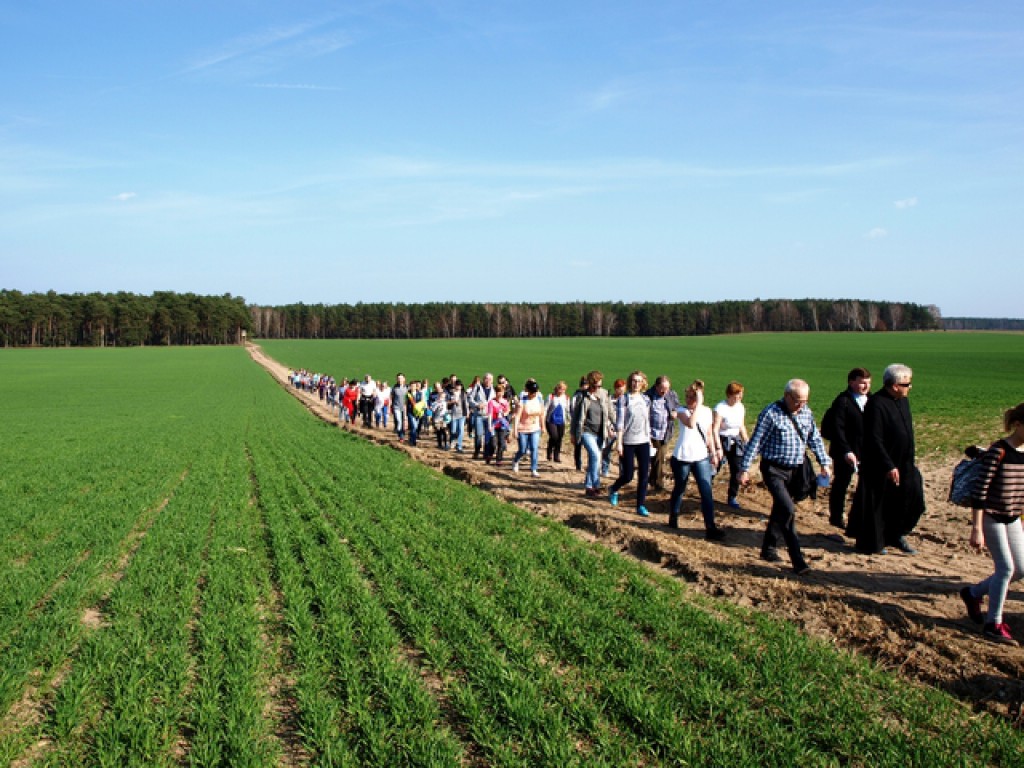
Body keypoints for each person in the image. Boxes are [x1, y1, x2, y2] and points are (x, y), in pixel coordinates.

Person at [739, 379, 832, 574]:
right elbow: (756, 442)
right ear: (787, 396)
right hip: (773, 469)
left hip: (796, 470)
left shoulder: (806, 413)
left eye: (805, 400)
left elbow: (814, 438)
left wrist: (824, 462)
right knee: (788, 510)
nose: (801, 404)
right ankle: (798, 561)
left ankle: (768, 548)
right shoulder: (771, 413)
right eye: (798, 400)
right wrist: (745, 468)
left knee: (780, 508)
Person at [960, 403, 1024, 645]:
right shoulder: (998, 452)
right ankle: (993, 623)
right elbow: (980, 492)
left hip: (1013, 517)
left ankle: (973, 593)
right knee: (1006, 569)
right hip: (992, 516)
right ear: (1017, 425)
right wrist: (976, 529)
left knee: (1021, 569)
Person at [847, 364, 924, 555]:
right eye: (907, 384)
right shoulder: (876, 404)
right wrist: (888, 465)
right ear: (895, 385)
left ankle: (896, 534)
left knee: (913, 499)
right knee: (878, 506)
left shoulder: (903, 400)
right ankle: (874, 542)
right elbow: (874, 438)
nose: (910, 387)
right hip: (881, 465)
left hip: (905, 463)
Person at [669, 380, 725, 539]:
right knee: (680, 488)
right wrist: (698, 405)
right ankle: (673, 516)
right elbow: (691, 424)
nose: (689, 400)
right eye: (687, 397)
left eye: (693, 397)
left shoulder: (707, 411)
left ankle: (710, 527)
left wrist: (714, 452)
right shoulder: (681, 410)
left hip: (701, 457)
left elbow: (708, 434)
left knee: (706, 491)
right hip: (682, 456)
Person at [826, 368, 871, 529]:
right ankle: (836, 517)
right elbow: (838, 429)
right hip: (844, 452)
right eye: (861, 382)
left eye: (868, 382)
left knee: (865, 486)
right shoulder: (842, 401)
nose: (865, 386)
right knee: (841, 484)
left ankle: (859, 518)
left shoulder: (872, 400)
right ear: (851, 382)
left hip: (865, 451)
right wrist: (846, 451)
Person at [608, 371, 654, 517]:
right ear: (630, 382)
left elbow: (647, 421)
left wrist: (650, 440)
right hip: (628, 441)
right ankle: (614, 489)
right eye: (634, 380)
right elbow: (620, 422)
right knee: (628, 475)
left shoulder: (646, 400)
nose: (636, 383)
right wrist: (619, 442)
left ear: (643, 383)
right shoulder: (624, 399)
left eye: (639, 381)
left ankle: (640, 505)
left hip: (643, 441)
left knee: (644, 475)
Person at [570, 370, 616, 497]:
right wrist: (573, 434)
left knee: (593, 460)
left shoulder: (605, 394)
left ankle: (589, 486)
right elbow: (575, 417)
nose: (597, 388)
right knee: (596, 455)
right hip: (586, 431)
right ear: (590, 384)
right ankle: (595, 484)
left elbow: (611, 412)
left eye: (599, 386)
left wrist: (618, 426)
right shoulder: (582, 396)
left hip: (600, 432)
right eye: (595, 386)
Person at [712, 381, 749, 509]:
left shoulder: (740, 407)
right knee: (714, 468)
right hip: (722, 439)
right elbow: (715, 428)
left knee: (737, 469)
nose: (739, 397)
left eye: (741, 394)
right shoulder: (720, 408)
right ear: (730, 394)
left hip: (736, 440)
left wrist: (747, 441)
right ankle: (706, 491)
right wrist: (717, 447)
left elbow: (741, 426)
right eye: (737, 394)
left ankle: (732, 497)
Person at [647, 376, 682, 493]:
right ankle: (658, 484)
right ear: (656, 387)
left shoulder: (672, 395)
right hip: (652, 433)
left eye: (667, 389)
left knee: (658, 459)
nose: (665, 391)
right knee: (658, 459)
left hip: (666, 433)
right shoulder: (648, 396)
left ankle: (652, 480)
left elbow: (678, 407)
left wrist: (675, 413)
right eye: (662, 389)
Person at [512, 378, 545, 477]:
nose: (534, 394)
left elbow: (542, 414)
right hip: (523, 428)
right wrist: (515, 430)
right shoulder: (523, 402)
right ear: (528, 392)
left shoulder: (539, 400)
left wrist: (543, 426)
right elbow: (517, 416)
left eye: (535, 392)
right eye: (532, 392)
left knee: (534, 448)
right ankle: (516, 460)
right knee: (522, 450)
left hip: (535, 428)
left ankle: (534, 469)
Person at [468, 373, 495, 459]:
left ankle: (486, 453)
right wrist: (477, 405)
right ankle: (477, 450)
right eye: (486, 379)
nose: (488, 381)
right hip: (479, 415)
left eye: (490, 379)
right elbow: (470, 399)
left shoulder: (494, 390)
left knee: (488, 435)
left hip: (489, 416)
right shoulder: (478, 387)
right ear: (483, 379)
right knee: (479, 435)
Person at [485, 384, 511, 465]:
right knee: (493, 444)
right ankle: (489, 455)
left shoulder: (505, 402)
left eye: (501, 392)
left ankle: (499, 459)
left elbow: (507, 411)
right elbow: (489, 414)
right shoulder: (491, 402)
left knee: (501, 443)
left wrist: (504, 413)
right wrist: (489, 425)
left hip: (502, 425)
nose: (499, 393)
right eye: (498, 392)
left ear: (503, 393)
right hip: (494, 425)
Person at [544, 381, 570, 463]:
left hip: (561, 420)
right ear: (557, 388)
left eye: (564, 390)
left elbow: (568, 410)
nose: (562, 391)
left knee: (560, 438)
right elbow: (545, 408)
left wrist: (570, 419)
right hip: (551, 420)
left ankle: (556, 455)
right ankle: (549, 451)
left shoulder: (566, 398)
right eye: (560, 389)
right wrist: (543, 419)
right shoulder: (551, 397)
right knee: (554, 436)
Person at [447, 377, 467, 453]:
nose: (458, 386)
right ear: (455, 386)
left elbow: (466, 403)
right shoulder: (451, 393)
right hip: (453, 414)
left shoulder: (463, 394)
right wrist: (452, 402)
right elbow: (446, 402)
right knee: (453, 430)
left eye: (460, 385)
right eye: (457, 385)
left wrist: (467, 413)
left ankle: (459, 446)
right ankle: (453, 441)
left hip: (462, 414)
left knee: (461, 430)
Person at [391, 373, 408, 442]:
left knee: (403, 422)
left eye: (401, 378)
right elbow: (392, 397)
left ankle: (402, 436)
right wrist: (391, 406)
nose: (399, 380)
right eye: (398, 378)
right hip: (396, 407)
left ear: (404, 379)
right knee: (399, 421)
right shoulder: (394, 387)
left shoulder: (407, 387)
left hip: (404, 408)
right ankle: (399, 433)